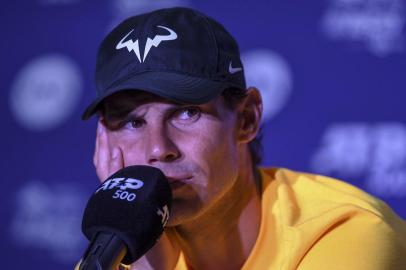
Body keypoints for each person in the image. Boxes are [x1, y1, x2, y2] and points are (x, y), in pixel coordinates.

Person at [81, 6, 406, 270]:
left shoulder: (346, 234)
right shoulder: (116, 257)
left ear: (247, 117)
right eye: (132, 122)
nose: (157, 148)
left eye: (186, 113)